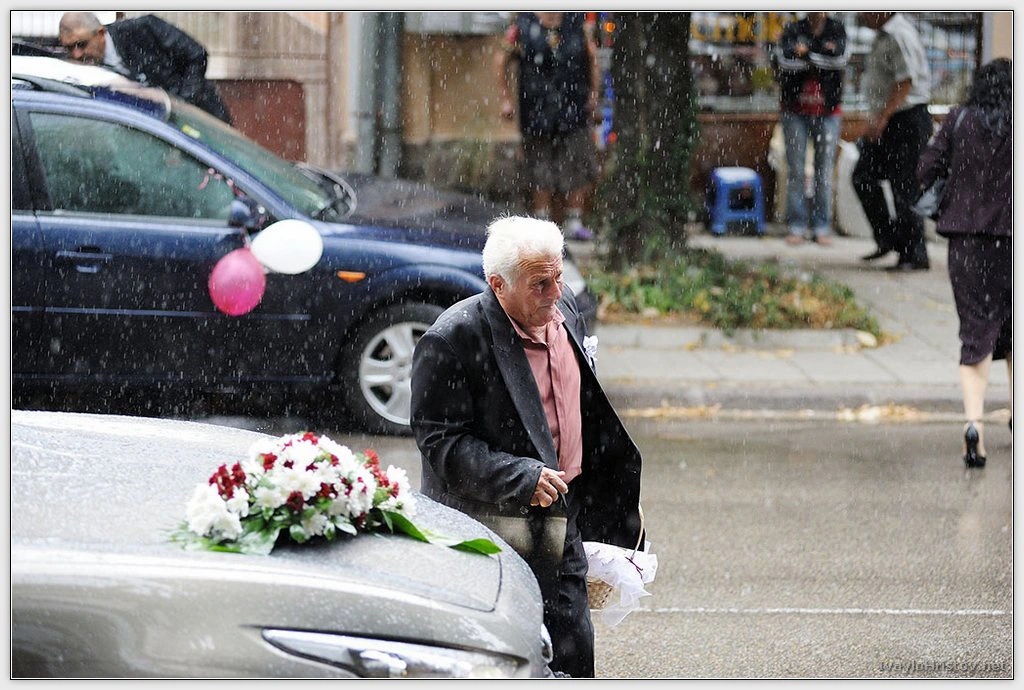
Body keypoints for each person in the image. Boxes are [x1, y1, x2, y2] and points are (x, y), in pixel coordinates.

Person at [410, 215, 643, 678]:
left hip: (562, 517)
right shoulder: (453, 338)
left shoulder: (564, 307)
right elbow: (441, 442)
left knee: (573, 649)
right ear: (498, 285)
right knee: (500, 660)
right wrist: (521, 477)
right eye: (540, 284)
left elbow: (585, 406)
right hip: (493, 529)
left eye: (558, 276)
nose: (555, 293)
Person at [916, 58, 1012, 468]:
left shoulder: (959, 120)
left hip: (968, 244)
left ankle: (974, 427)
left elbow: (925, 169)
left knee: (976, 332)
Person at [496, 12, 601, 241]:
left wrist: (594, 94)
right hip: (536, 106)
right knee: (538, 165)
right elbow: (501, 60)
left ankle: (574, 221)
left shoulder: (576, 23)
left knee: (576, 161)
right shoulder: (523, 25)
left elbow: (592, 58)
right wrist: (505, 98)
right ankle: (541, 222)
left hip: (573, 104)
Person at [852, 12, 932, 271]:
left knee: (905, 186)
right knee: (863, 176)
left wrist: (883, 117)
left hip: (905, 119)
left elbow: (905, 81)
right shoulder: (882, 35)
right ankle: (889, 238)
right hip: (888, 118)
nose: (860, 14)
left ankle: (914, 254)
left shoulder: (899, 35)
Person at [58, 12, 232, 124]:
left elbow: (196, 54)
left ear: (101, 33)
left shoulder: (142, 29)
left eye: (81, 44)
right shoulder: (90, 70)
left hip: (204, 116)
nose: (76, 54)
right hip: (158, 132)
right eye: (69, 48)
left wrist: (184, 103)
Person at [774, 12, 847, 247]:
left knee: (823, 171)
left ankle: (821, 226)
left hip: (827, 112)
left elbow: (839, 61)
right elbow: (785, 62)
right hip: (794, 110)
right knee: (795, 169)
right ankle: (796, 225)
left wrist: (807, 53)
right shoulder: (793, 29)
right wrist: (822, 53)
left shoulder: (837, 29)